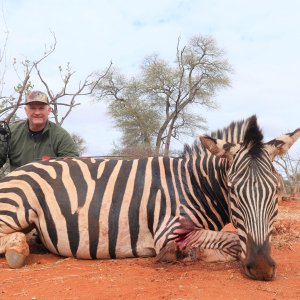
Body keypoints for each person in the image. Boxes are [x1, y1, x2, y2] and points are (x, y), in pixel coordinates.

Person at [0, 90, 79, 171]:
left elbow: (73, 166)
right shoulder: (11, 133)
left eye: (41, 108)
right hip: (17, 182)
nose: (37, 112)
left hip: (50, 183)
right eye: (32, 108)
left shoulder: (61, 136)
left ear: (48, 110)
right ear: (26, 110)